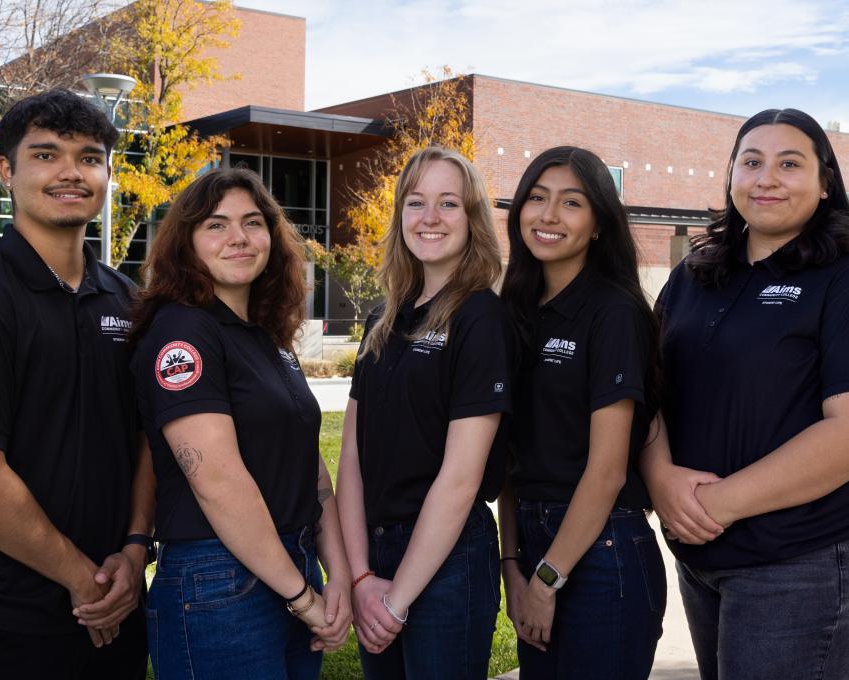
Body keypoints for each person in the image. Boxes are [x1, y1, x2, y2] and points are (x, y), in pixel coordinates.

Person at [642, 108, 849, 680]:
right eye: (751, 162)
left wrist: (718, 505)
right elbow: (648, 387)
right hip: (703, 556)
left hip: (810, 561)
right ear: (732, 177)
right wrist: (662, 480)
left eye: (789, 164)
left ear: (825, 184)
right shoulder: (693, 275)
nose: (766, 178)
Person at [0, 88, 153, 679]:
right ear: (6, 172)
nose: (71, 172)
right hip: (0, 620)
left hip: (115, 608)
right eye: (46, 155)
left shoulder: (127, 299)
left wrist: (133, 548)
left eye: (90, 158)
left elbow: (149, 437)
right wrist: (83, 580)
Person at [130, 167, 352, 679]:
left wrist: (335, 572)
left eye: (252, 223)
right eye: (216, 225)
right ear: (185, 243)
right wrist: (301, 597)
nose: (238, 238)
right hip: (219, 582)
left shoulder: (266, 336)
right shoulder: (182, 332)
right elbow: (218, 484)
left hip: (289, 564)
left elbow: (312, 473)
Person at [335, 146, 512, 679]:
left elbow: (461, 479)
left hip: (448, 559)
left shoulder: (482, 319)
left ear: (473, 219)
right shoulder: (383, 319)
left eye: (448, 203)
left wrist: (397, 598)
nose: (430, 218)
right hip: (377, 553)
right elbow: (351, 458)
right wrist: (363, 577)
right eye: (415, 203)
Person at [498, 146, 666, 679]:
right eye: (537, 198)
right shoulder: (516, 311)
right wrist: (513, 567)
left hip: (601, 553)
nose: (548, 216)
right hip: (535, 542)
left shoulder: (612, 312)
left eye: (571, 202)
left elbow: (609, 468)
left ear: (598, 225)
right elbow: (509, 454)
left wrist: (547, 578)